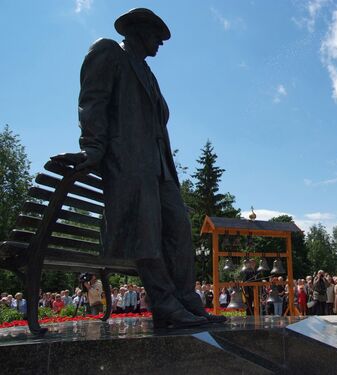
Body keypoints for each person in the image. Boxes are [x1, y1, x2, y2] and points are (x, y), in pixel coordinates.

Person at [52, 8, 224, 328]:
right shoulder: (108, 52)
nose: (160, 42)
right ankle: (165, 305)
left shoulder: (148, 73)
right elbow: (93, 100)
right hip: (129, 163)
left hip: (160, 167)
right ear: (138, 31)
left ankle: (187, 299)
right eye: (156, 35)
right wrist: (93, 147)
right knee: (147, 235)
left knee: (179, 231)